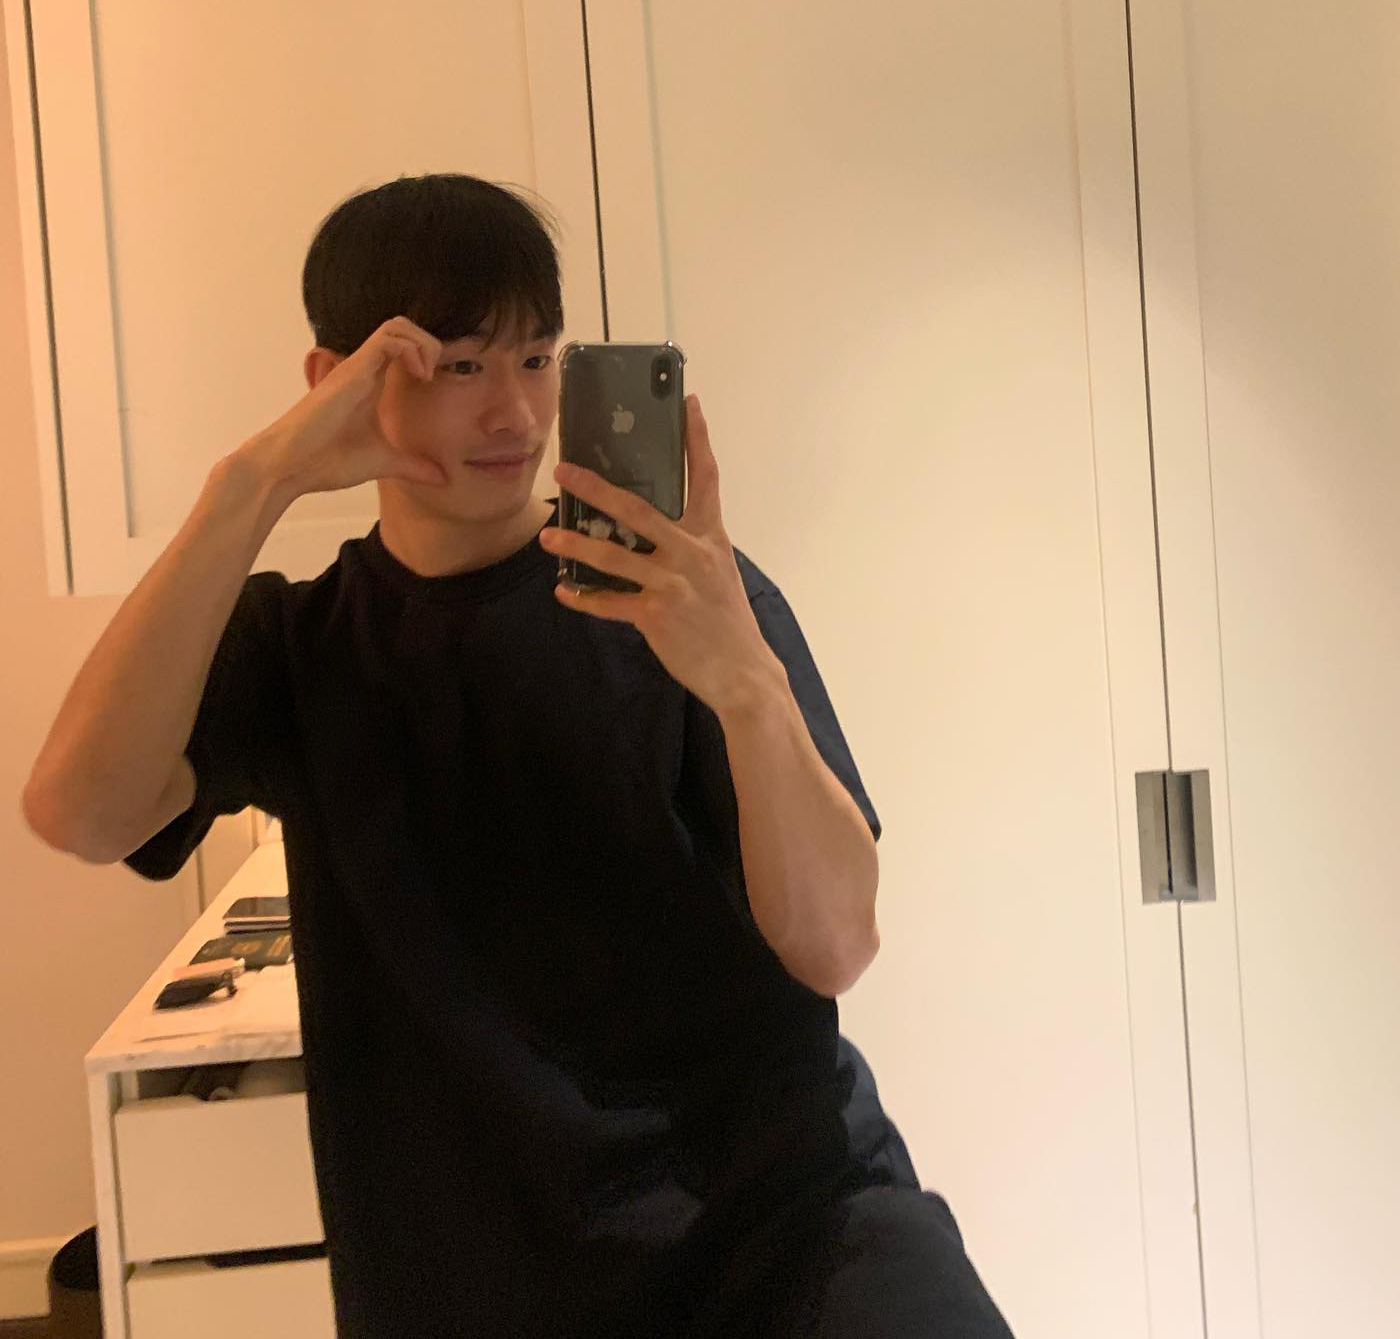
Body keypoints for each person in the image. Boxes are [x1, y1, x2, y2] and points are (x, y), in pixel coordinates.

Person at [23, 174, 1013, 1338]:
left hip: (795, 1231)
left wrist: (744, 679)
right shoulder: (295, 646)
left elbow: (837, 945)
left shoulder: (685, 598)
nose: (516, 415)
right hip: (481, 1281)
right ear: (335, 380)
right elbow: (81, 810)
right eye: (458, 366)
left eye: (538, 359)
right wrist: (255, 481)